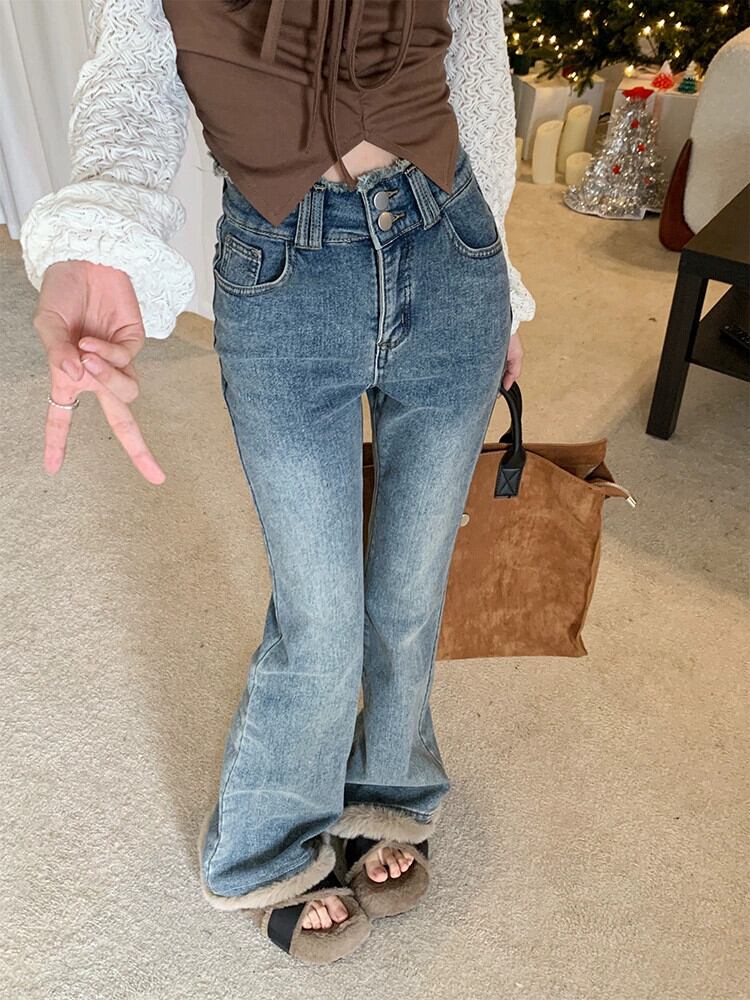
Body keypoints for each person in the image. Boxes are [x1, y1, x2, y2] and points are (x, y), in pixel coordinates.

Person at [20, 0, 535, 965]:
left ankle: (392, 790)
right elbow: (134, 67)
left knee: (412, 588)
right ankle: (264, 846)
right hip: (284, 270)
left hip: (450, 246)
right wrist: (99, 235)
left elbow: (474, 59)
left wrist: (499, 281)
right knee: (320, 614)